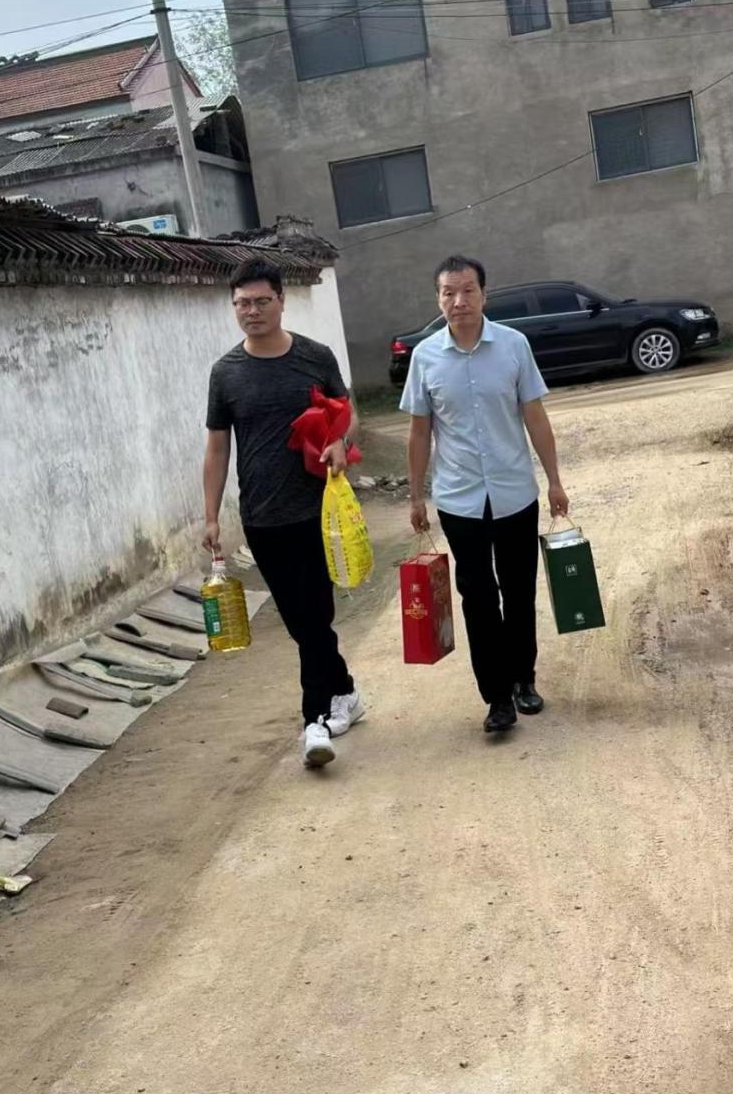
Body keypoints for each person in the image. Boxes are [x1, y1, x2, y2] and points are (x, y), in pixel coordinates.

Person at [203, 257, 364, 770]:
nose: (251, 311)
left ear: (281, 301)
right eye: (242, 304)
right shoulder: (226, 373)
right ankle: (346, 692)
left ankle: (314, 721)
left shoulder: (314, 356)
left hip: (317, 510)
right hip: (261, 516)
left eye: (261, 301)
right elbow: (217, 448)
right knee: (301, 622)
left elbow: (347, 412)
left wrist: (340, 442)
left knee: (314, 615)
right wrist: (212, 516)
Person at [401, 255, 569, 736]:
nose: (459, 301)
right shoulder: (425, 357)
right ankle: (496, 697)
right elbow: (419, 432)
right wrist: (416, 496)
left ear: (484, 294)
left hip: (515, 493)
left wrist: (554, 479)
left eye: (468, 290)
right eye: (449, 293)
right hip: (460, 500)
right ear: (438, 299)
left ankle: (523, 678)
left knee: (518, 590)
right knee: (477, 596)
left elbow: (535, 416)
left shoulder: (514, 346)